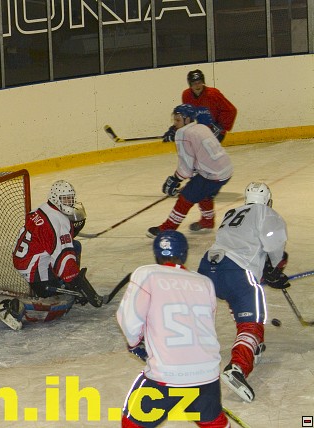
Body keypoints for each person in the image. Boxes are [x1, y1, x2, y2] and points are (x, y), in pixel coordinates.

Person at [117, 231, 228, 427]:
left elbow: (129, 320)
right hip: (207, 373)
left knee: (132, 423)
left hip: (166, 374)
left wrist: (134, 344)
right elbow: (205, 324)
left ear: (156, 254)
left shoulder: (147, 274)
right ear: (184, 253)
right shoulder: (204, 282)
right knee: (213, 422)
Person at [198, 182, 289, 403]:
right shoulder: (266, 213)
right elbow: (275, 245)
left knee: (237, 300)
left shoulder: (233, 212)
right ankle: (237, 367)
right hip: (237, 271)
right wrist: (276, 269)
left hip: (207, 268)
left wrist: (266, 271)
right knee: (252, 322)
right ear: (267, 200)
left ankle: (253, 346)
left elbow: (240, 241)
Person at [0, 180, 104, 330]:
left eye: (70, 198)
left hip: (24, 258)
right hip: (35, 268)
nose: (69, 203)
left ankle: (61, 284)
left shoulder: (42, 209)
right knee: (64, 303)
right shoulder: (59, 221)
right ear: (55, 198)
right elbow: (64, 258)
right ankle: (16, 307)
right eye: (65, 199)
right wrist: (77, 284)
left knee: (75, 245)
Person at [148, 104, 233, 238]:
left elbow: (186, 167)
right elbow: (197, 151)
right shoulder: (201, 126)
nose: (175, 124)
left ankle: (167, 228)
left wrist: (175, 179)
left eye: (178, 120)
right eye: (174, 120)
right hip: (225, 170)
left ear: (187, 119)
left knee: (185, 197)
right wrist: (176, 135)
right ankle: (208, 221)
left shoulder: (182, 134)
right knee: (203, 193)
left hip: (212, 174)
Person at [181, 69, 237, 142]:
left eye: (199, 82)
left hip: (216, 130)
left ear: (203, 82)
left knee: (204, 147)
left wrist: (220, 126)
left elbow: (231, 110)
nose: (197, 85)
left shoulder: (213, 94)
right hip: (202, 130)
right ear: (190, 85)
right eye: (194, 83)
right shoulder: (186, 95)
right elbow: (188, 115)